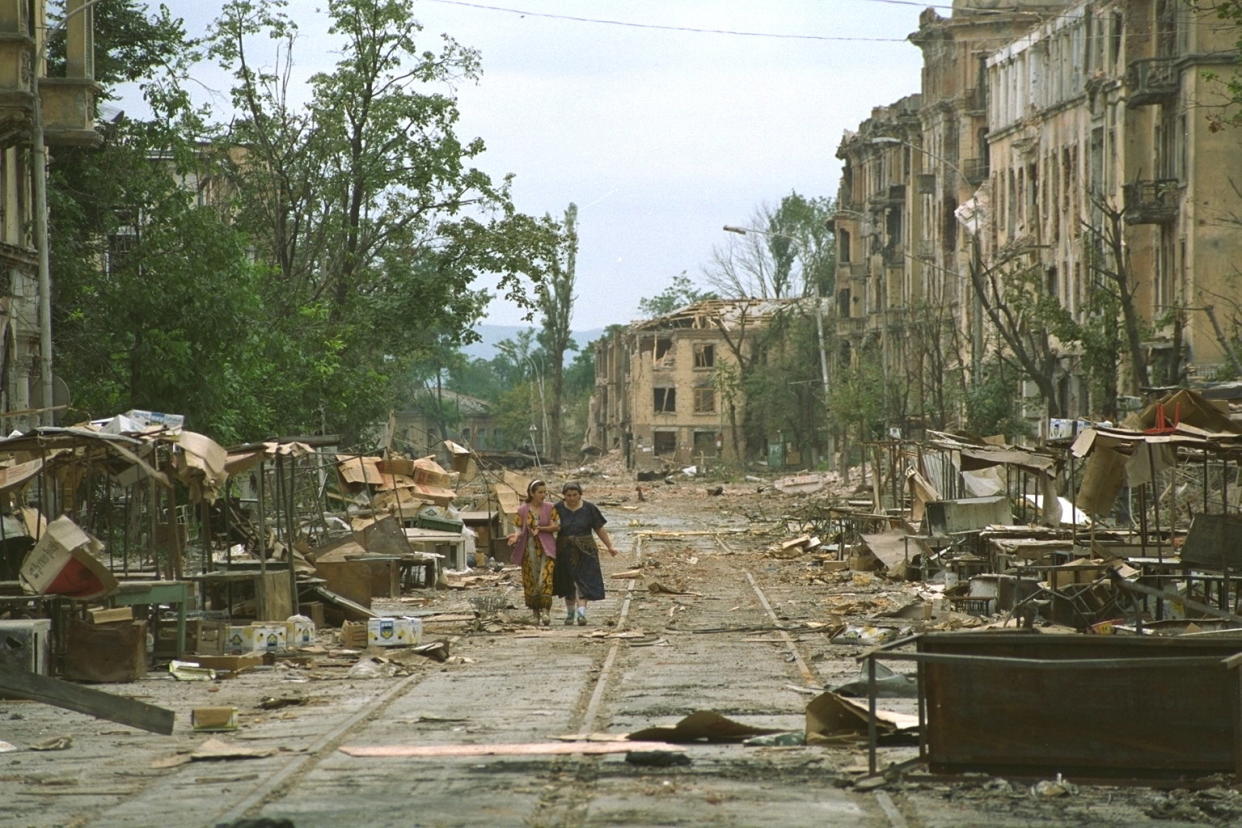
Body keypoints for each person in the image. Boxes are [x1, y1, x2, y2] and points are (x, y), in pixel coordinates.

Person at [553, 481, 617, 626]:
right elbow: (551, 527)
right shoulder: (557, 509)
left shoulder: (589, 508)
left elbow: (599, 528)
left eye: (575, 495)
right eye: (568, 495)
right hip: (564, 549)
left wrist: (609, 546)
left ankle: (581, 614)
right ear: (564, 496)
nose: (572, 498)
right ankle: (570, 614)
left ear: (580, 495)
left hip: (586, 550)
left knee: (584, 581)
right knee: (567, 581)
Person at [507, 479, 559, 627]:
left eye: (544, 492)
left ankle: (546, 612)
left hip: (546, 548)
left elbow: (556, 526)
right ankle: (535, 613)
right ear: (532, 493)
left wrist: (542, 529)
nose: (543, 495)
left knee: (545, 578)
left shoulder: (550, 508)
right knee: (531, 581)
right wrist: (515, 537)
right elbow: (518, 528)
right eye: (540, 492)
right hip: (528, 548)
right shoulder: (522, 510)